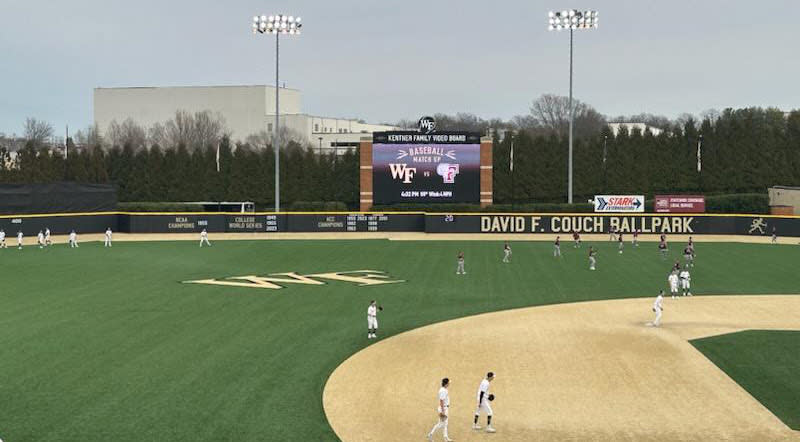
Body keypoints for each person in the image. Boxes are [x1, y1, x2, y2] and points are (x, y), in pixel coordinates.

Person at [427, 378, 453, 442]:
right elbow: (441, 401)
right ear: (446, 384)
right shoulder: (443, 391)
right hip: (443, 408)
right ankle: (430, 434)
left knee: (445, 424)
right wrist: (443, 411)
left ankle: (446, 437)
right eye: (448, 383)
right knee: (441, 424)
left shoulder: (444, 389)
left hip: (445, 408)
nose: (449, 384)